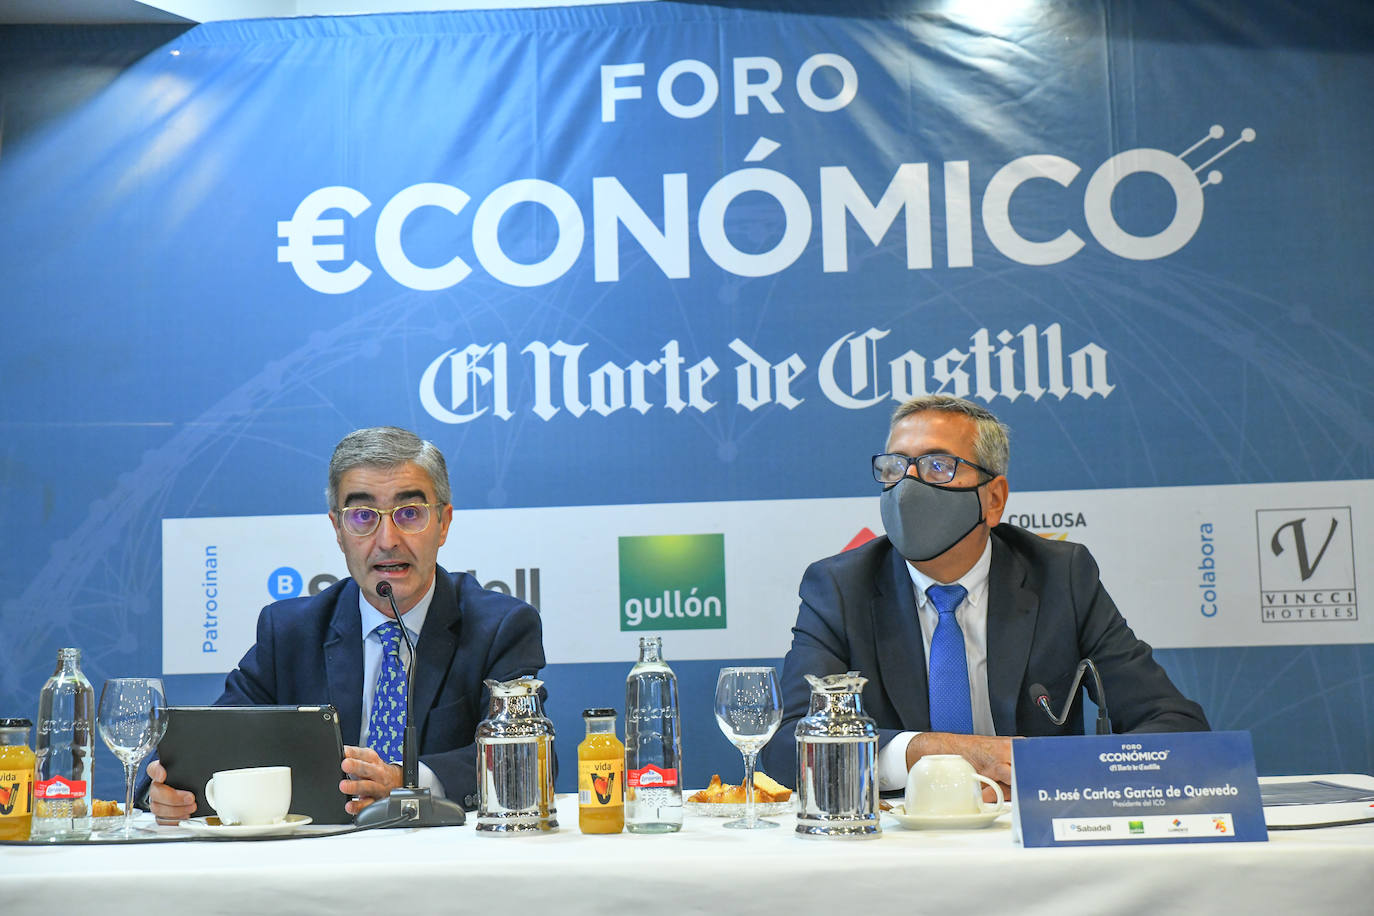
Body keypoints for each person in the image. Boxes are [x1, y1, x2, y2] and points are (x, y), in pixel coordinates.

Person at [759, 395, 1208, 799]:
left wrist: (1056, 776)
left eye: (938, 465)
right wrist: (938, 752)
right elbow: (788, 747)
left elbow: (1175, 726)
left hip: (1030, 840)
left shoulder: (1060, 576)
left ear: (993, 499)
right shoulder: (841, 587)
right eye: (895, 467)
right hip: (898, 846)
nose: (908, 487)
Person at [146, 426, 548, 820]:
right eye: (362, 516)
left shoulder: (500, 627)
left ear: (443, 523)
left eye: (409, 513)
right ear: (338, 530)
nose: (387, 539)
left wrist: (409, 783)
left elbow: (527, 758)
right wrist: (163, 792)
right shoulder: (291, 633)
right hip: (316, 867)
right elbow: (207, 747)